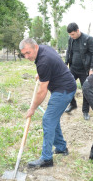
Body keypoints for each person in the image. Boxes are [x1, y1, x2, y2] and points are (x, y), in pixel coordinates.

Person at [20, 38, 76, 169]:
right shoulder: (43, 50)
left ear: (35, 47)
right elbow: (52, 65)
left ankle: (46, 159)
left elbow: (42, 91)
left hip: (64, 90)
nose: (27, 57)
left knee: (48, 119)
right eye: (24, 54)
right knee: (53, 118)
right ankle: (61, 148)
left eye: (28, 53)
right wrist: (42, 74)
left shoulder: (43, 61)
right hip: (64, 85)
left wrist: (32, 108)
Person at [64, 23, 93, 120]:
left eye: (73, 34)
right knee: (66, 85)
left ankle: (85, 111)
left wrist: (91, 69)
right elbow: (68, 51)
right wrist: (65, 64)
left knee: (86, 90)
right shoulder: (71, 39)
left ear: (78, 31)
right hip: (73, 68)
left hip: (85, 70)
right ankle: (73, 104)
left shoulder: (88, 39)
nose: (72, 36)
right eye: (70, 35)